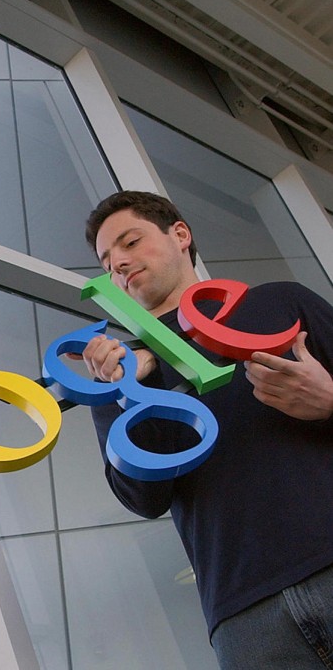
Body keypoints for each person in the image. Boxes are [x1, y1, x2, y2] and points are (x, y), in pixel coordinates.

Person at [79, 190, 333, 668]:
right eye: (108, 264)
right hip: (245, 616)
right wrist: (125, 388)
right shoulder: (122, 371)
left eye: (130, 242)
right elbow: (142, 498)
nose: (120, 265)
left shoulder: (280, 303)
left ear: (180, 234)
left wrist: (329, 402)